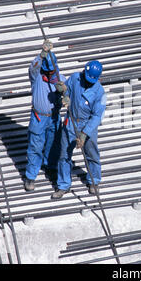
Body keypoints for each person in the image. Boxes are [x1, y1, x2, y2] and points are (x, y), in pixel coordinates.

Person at [51, 60, 106, 199]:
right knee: (64, 155)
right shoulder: (75, 78)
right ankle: (63, 185)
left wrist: (84, 134)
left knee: (92, 155)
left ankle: (94, 181)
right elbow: (66, 91)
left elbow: (97, 116)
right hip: (71, 121)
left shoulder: (100, 92)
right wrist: (63, 92)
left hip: (88, 126)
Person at [24, 40, 66, 192]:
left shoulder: (60, 77)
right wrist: (42, 55)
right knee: (35, 146)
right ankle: (30, 176)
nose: (49, 74)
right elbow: (32, 67)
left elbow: (68, 91)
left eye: (51, 71)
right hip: (39, 117)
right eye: (47, 71)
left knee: (53, 144)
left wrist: (65, 92)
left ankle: (51, 167)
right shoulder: (37, 76)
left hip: (54, 117)